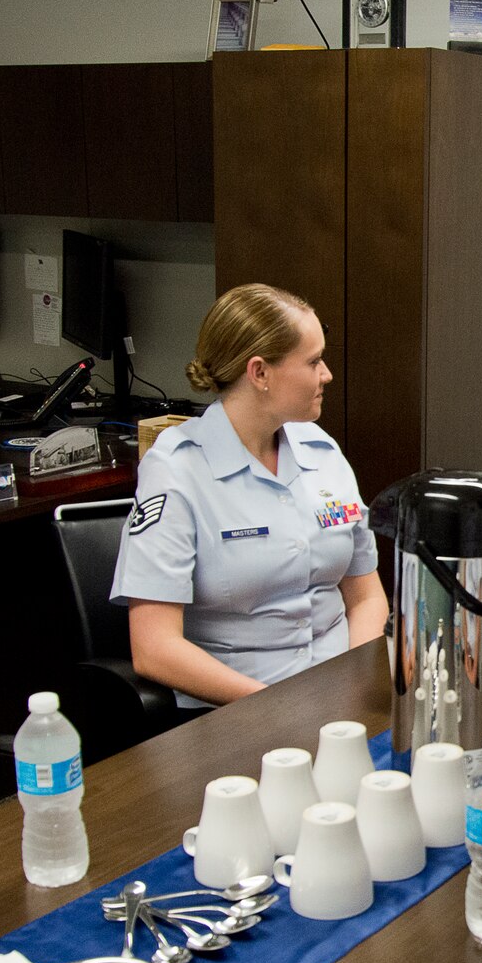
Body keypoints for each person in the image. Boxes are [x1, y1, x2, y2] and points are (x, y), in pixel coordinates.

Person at [113, 283, 386, 706]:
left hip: (342, 692)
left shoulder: (321, 451)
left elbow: (366, 596)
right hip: (239, 708)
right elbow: (154, 650)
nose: (327, 374)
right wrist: (272, 706)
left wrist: (356, 684)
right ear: (259, 372)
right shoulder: (178, 470)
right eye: (313, 361)